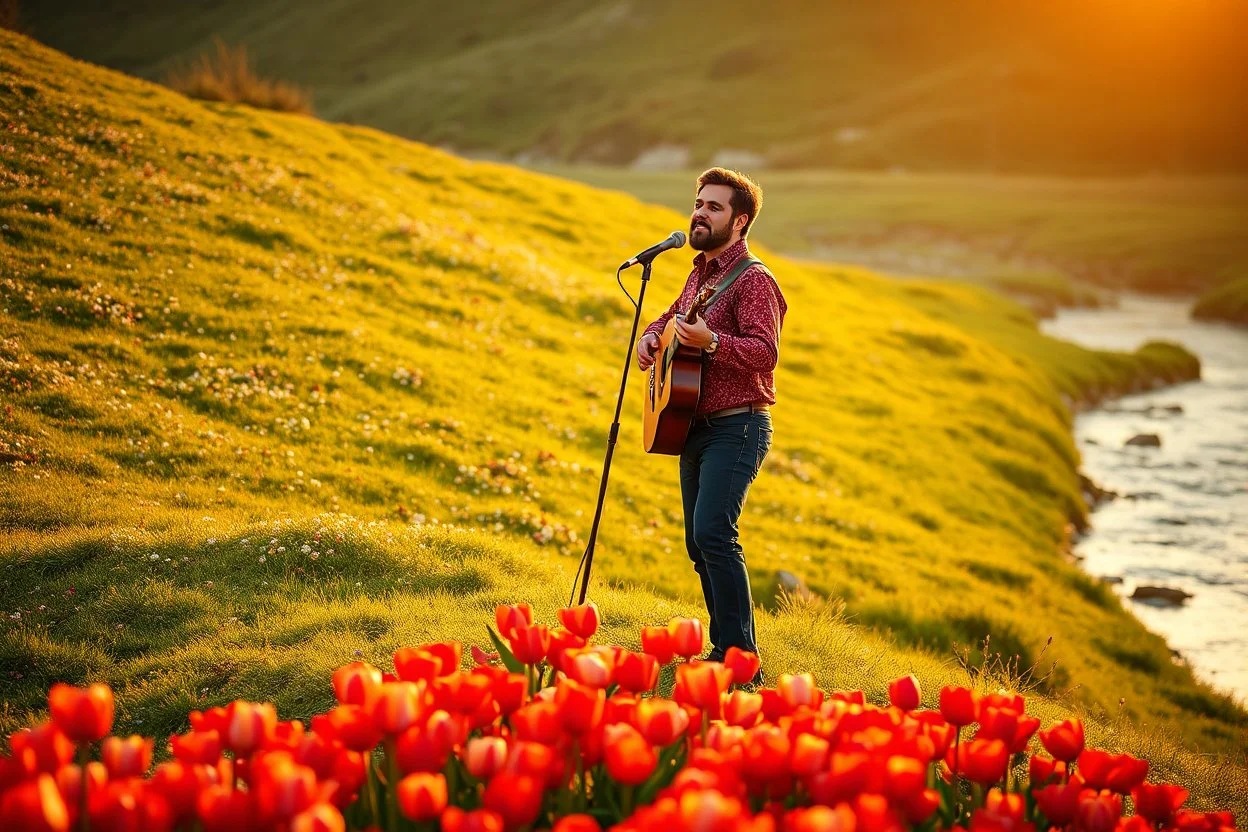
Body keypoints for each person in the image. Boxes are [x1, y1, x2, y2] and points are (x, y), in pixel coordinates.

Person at [636, 168, 787, 678]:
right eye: (699, 203)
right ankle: (724, 650)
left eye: (714, 207)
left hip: (738, 425)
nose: (700, 212)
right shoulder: (699, 272)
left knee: (715, 533)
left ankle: (742, 661)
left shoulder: (754, 281)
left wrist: (714, 343)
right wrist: (652, 337)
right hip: (692, 423)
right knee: (698, 542)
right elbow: (670, 316)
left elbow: (766, 354)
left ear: (739, 221)